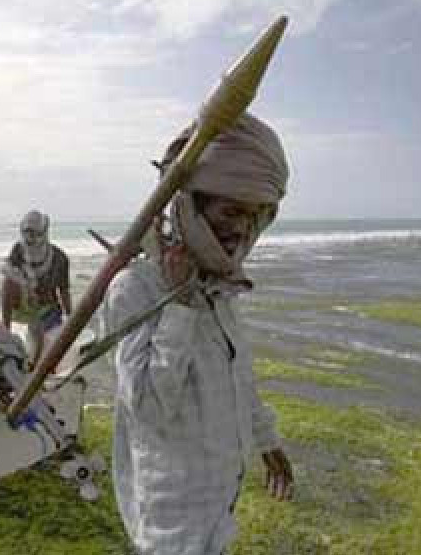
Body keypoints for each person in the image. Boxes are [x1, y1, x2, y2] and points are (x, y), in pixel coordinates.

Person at [103, 113, 295, 555]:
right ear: (193, 204)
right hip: (172, 515)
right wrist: (181, 307)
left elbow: (238, 380)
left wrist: (268, 442)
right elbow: (148, 409)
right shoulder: (136, 289)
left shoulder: (219, 287)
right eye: (230, 211)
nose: (242, 229)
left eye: (254, 216)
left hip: (221, 501)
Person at [0, 210, 72, 369]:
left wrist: (70, 318)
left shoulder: (60, 258)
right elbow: (8, 270)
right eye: (26, 233)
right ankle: (5, 333)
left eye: (34, 233)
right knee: (8, 281)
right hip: (23, 305)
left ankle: (34, 366)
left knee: (46, 354)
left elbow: (64, 290)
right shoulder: (18, 249)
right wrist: (26, 285)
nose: (30, 239)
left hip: (47, 311)